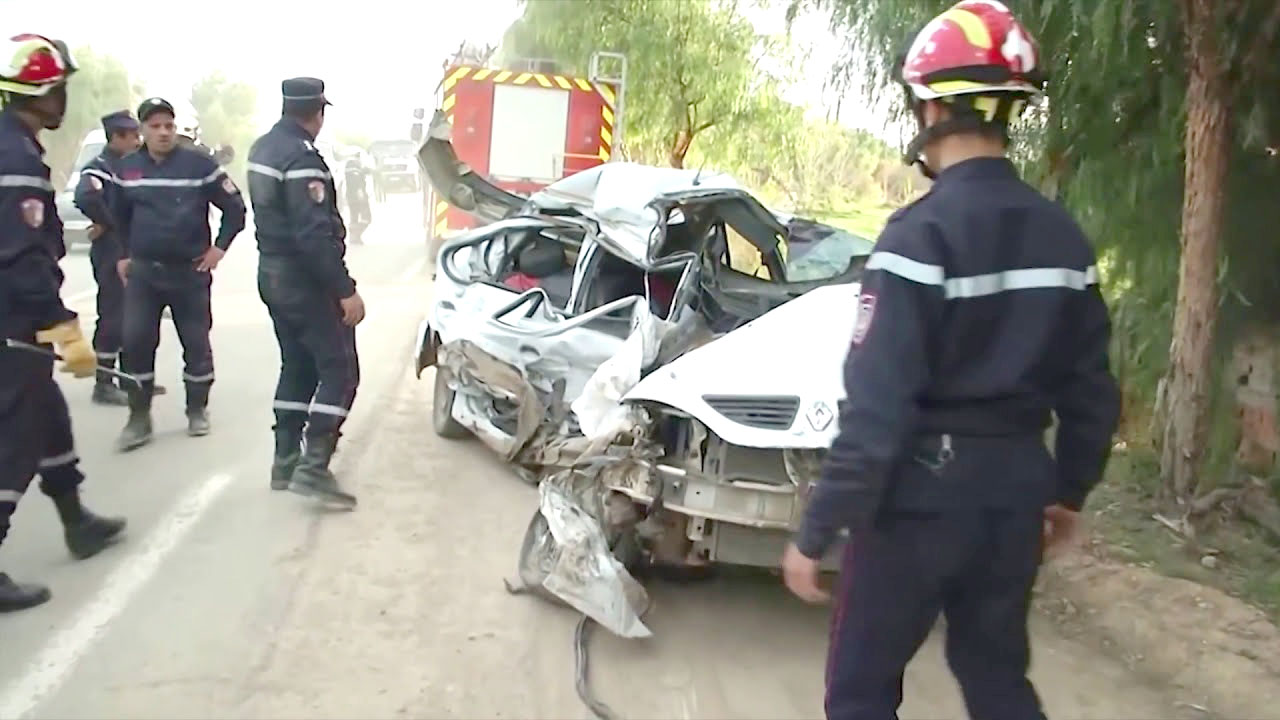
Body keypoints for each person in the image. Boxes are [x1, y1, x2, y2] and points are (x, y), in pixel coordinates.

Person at [780, 2, 1122, 718]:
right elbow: (1092, 391)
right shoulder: (1064, 241)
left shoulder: (916, 238)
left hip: (916, 504)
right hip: (1014, 500)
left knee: (862, 687)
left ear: (931, 108)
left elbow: (877, 414)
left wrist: (819, 530)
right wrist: (1067, 490)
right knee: (996, 676)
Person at [0, 33, 127, 613]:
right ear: (44, 90)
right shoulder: (16, 158)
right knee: (14, 442)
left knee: (49, 422)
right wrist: (57, 322)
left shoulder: (13, 145)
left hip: (16, 317)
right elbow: (20, 251)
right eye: (62, 89)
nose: (64, 101)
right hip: (12, 320)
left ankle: (77, 522)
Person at [245, 77, 363, 508]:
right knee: (340, 371)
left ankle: (285, 461)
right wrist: (344, 290)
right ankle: (313, 468)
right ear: (318, 112)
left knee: (297, 367)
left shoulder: (263, 149)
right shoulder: (302, 158)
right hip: (304, 281)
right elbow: (313, 235)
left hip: (272, 276)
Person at [113, 96, 246, 450]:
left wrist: (219, 248)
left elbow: (235, 208)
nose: (163, 133)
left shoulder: (199, 165)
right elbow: (117, 216)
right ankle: (138, 417)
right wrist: (123, 255)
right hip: (144, 274)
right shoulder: (128, 169)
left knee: (196, 343)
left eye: (168, 126)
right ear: (142, 131)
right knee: (137, 341)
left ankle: (196, 410)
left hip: (189, 273)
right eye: (154, 127)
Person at [72, 109, 168, 404]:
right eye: (133, 136)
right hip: (112, 248)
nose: (138, 141)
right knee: (113, 314)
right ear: (117, 137)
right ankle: (104, 382)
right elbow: (85, 197)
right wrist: (109, 223)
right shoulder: (99, 167)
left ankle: (130, 377)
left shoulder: (131, 165)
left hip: (133, 246)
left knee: (134, 314)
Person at [343, 154, 370, 244]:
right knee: (366, 218)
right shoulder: (354, 170)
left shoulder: (349, 169)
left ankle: (354, 237)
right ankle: (355, 235)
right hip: (358, 197)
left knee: (354, 217)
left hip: (350, 197)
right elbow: (356, 182)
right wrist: (360, 194)